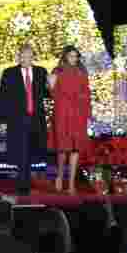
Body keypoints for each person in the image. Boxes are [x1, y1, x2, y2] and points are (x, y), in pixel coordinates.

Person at [0, 45, 50, 195]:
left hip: (36, 118)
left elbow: (47, 94)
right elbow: (3, 96)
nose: (26, 58)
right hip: (17, 119)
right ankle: (23, 184)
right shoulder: (9, 73)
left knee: (31, 151)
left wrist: (52, 85)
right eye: (23, 55)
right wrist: (3, 120)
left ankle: (26, 180)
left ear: (33, 57)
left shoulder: (41, 72)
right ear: (18, 56)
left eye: (29, 55)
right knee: (21, 152)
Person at [47, 45, 92, 194]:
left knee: (75, 149)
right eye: (71, 56)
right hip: (63, 113)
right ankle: (60, 176)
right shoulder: (57, 71)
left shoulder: (81, 72)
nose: (74, 58)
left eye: (76, 56)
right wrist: (50, 84)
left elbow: (87, 93)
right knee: (63, 148)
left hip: (78, 114)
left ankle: (71, 184)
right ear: (65, 56)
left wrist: (87, 113)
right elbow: (52, 93)